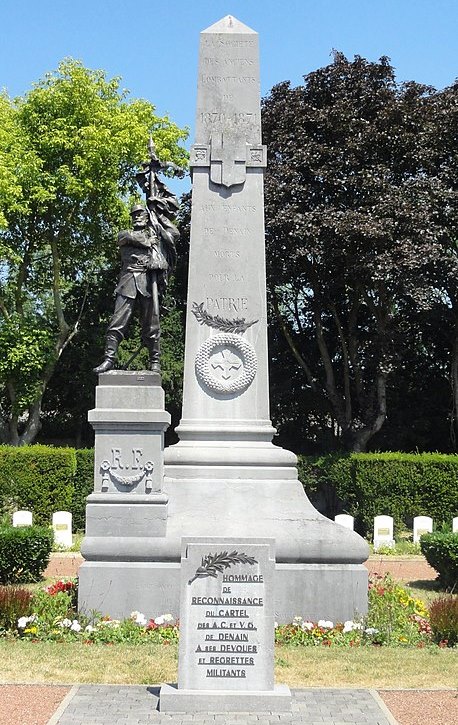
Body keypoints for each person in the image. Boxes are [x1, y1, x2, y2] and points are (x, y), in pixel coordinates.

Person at [93, 203, 175, 374]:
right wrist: (147, 242)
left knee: (152, 325)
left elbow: (174, 234)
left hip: (147, 283)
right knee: (117, 323)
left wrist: (159, 219)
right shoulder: (126, 235)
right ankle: (109, 359)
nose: (137, 217)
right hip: (128, 282)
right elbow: (125, 238)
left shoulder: (156, 234)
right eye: (134, 215)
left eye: (141, 214)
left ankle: (155, 361)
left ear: (147, 218)